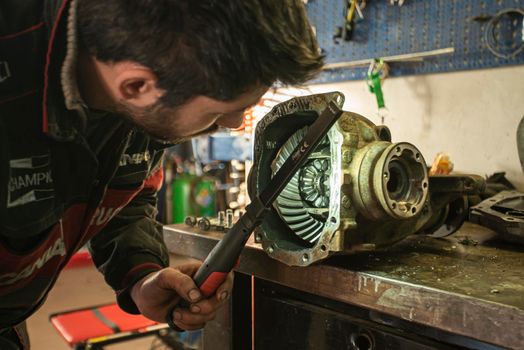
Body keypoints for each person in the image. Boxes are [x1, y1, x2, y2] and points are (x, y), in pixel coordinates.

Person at [0, 0, 323, 348]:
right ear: (137, 86)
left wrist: (142, 276)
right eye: (224, 111)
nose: (232, 126)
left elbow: (126, 194)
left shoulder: (139, 69)